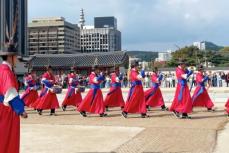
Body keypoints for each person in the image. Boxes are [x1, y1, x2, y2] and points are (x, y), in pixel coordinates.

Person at [0, 41, 28, 153]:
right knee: (7, 140)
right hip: (6, 111)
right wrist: (21, 110)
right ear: (10, 57)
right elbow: (10, 93)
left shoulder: (2, 70)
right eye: (15, 56)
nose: (17, 59)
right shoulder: (6, 72)